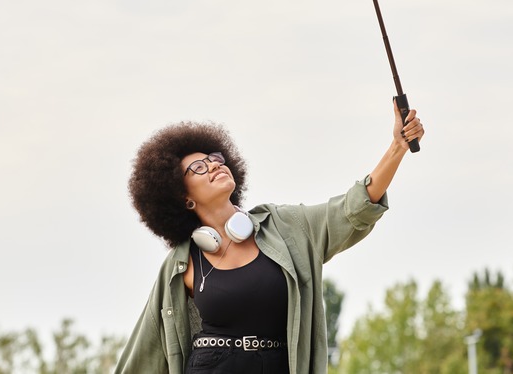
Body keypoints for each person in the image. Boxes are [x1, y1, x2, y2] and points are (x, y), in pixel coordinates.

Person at [115, 101, 424, 373]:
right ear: (184, 199)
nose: (213, 165)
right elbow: (147, 350)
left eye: (214, 158)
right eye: (197, 167)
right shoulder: (181, 264)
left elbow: (353, 209)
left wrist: (396, 147)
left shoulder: (286, 226)